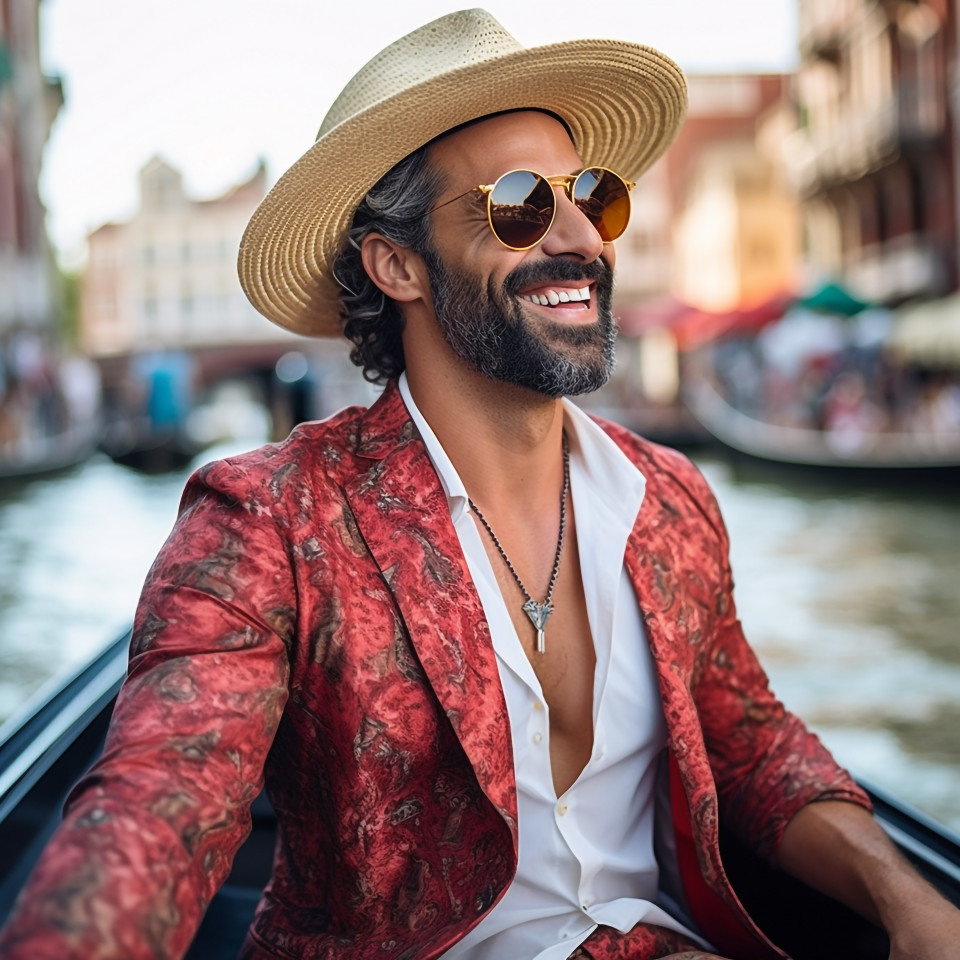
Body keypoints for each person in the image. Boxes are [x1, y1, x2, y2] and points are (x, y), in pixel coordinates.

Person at [2, 9, 959, 960]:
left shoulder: (670, 499)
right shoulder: (269, 521)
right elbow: (158, 808)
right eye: (519, 203)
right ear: (399, 264)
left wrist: (907, 904)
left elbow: (750, 744)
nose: (582, 235)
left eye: (590, 193)